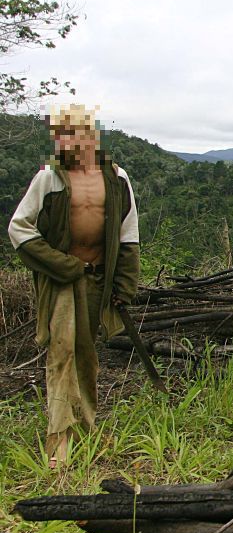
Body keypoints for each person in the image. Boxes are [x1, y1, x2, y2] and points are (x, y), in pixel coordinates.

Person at [8, 104, 140, 467]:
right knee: (61, 354)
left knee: (86, 355)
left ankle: (85, 427)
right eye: (60, 135)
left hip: (97, 280)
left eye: (74, 133)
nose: (67, 141)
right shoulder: (49, 178)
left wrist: (124, 286)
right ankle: (59, 440)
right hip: (62, 281)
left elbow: (128, 236)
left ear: (92, 136)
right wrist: (62, 265)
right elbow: (19, 228)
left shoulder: (116, 178)